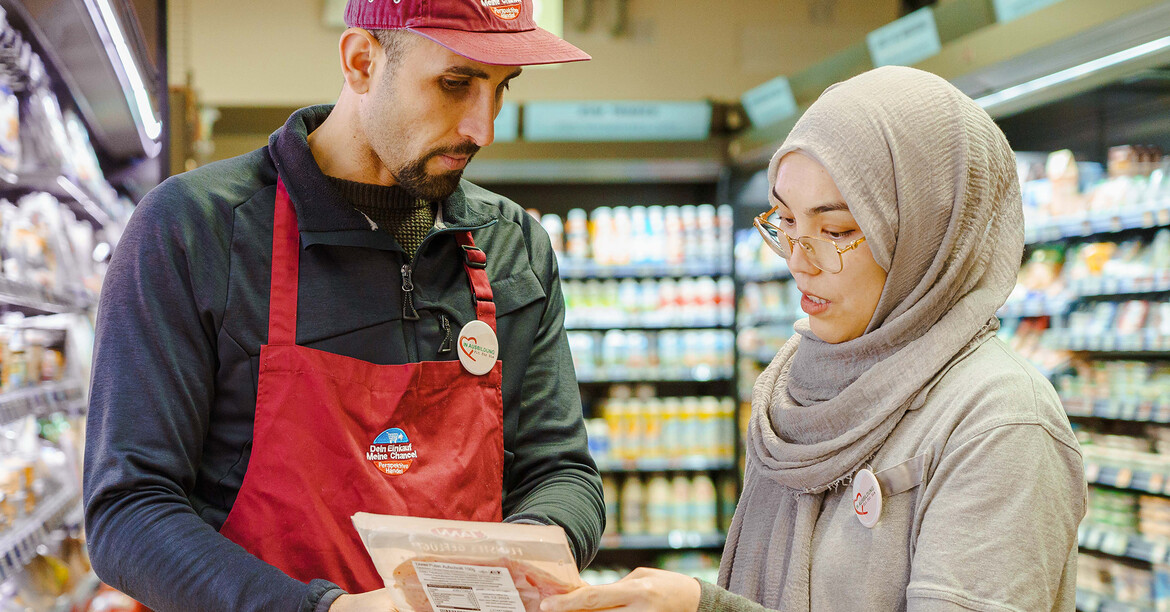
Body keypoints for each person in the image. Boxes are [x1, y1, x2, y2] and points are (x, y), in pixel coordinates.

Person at [83, 1, 605, 610]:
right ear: (361, 61)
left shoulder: (511, 245)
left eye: (500, 88)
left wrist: (523, 559)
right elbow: (129, 509)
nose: (481, 128)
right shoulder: (196, 230)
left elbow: (562, 472)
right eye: (455, 84)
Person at [542, 66, 1086, 612]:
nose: (799, 261)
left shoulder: (1001, 423)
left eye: (836, 230)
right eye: (785, 221)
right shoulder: (797, 385)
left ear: (928, 230)